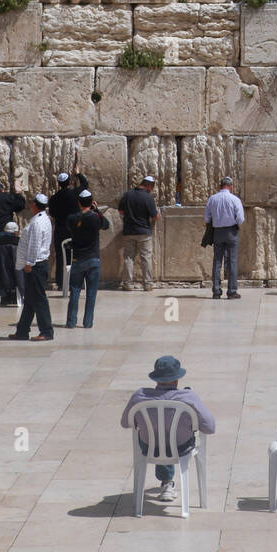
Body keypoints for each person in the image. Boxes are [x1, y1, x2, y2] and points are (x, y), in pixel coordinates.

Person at [120, 354, 216, 503]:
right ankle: (167, 484)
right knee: (172, 435)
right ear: (177, 379)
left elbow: (125, 423)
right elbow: (210, 427)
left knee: (159, 435)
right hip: (181, 448)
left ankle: (166, 482)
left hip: (149, 447)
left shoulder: (139, 396)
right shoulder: (188, 397)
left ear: (156, 378)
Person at [8, 194, 54, 342]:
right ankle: (22, 331)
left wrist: (29, 264)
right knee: (30, 300)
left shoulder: (37, 223)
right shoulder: (44, 219)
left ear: (35, 205)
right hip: (38, 263)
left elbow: (34, 245)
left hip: (35, 265)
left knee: (39, 299)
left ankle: (46, 331)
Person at [65, 189, 109, 329]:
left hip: (78, 259)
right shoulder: (95, 218)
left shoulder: (71, 219)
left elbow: (71, 230)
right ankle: (88, 322)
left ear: (78, 203)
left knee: (75, 292)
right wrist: (97, 211)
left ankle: (71, 322)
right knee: (91, 294)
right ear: (91, 203)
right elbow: (106, 225)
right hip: (93, 260)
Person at [48, 164, 88, 291]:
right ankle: (75, 281)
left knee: (60, 256)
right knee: (75, 254)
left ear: (59, 184)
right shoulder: (75, 193)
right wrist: (78, 174)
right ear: (70, 182)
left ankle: (61, 282)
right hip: (73, 229)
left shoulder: (54, 198)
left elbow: (52, 213)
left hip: (60, 230)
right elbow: (85, 185)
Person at [204, 177, 244, 300]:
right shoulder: (235, 199)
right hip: (231, 232)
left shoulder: (212, 199)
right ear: (230, 186)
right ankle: (231, 291)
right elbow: (240, 219)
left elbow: (207, 218)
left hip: (217, 232)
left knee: (217, 261)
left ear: (220, 186)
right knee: (232, 261)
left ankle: (216, 291)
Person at [118, 175, 158, 291]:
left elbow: (120, 210)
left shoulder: (127, 195)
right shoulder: (148, 198)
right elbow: (154, 216)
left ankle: (128, 284)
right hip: (144, 232)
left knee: (128, 258)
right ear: (149, 185)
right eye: (152, 187)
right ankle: (148, 284)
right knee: (146, 258)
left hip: (129, 231)